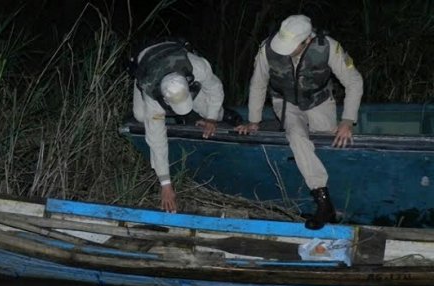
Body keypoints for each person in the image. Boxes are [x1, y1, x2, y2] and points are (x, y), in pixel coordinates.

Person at [235, 15, 363, 230]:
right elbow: (258, 83)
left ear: (307, 41)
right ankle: (323, 201)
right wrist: (253, 121)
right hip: (285, 101)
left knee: (328, 139)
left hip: (319, 100)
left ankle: (278, 127)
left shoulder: (328, 47)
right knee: (296, 135)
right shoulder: (267, 49)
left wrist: (348, 120)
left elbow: (354, 81)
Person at [132, 39, 239, 213]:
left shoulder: (197, 67)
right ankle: (185, 116)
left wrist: (211, 119)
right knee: (140, 116)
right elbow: (157, 140)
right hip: (146, 62)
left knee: (213, 111)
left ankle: (215, 114)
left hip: (173, 52)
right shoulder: (150, 90)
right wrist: (165, 184)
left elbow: (215, 87)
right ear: (164, 99)